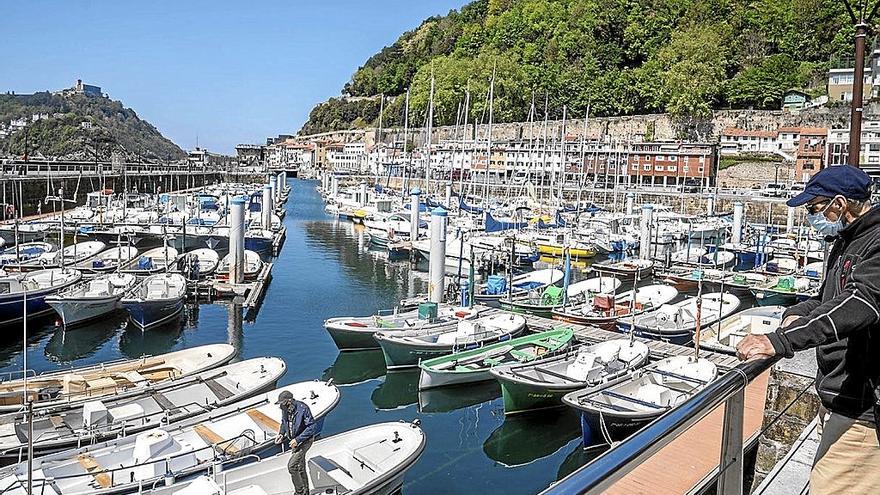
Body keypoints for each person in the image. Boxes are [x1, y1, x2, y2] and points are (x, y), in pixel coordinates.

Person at [736, 165, 880, 493]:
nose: (810, 216)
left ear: (839, 204)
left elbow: (861, 303)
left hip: (860, 409)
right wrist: (796, 312)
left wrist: (782, 341)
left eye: (813, 208)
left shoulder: (876, 242)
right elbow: (827, 298)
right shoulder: (849, 241)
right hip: (840, 401)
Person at [275, 390, 318, 495]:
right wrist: (281, 433)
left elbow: (312, 427)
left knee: (292, 466)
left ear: (289, 401)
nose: (281, 406)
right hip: (295, 441)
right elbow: (284, 422)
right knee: (300, 467)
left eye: (282, 403)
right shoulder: (284, 409)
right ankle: (306, 492)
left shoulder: (303, 409)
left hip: (305, 441)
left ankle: (299, 492)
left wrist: (297, 440)